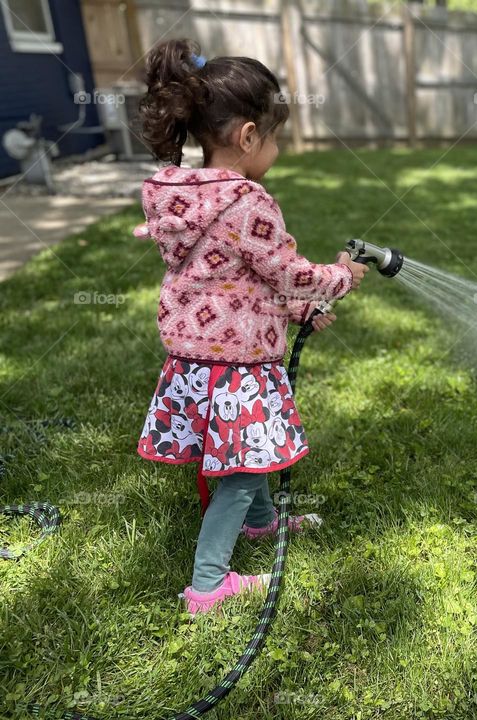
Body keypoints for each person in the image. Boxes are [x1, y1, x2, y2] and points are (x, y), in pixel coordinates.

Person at [133, 38, 368, 614]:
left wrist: (293, 312)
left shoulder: (181, 197)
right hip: (236, 369)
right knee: (238, 472)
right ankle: (207, 587)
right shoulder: (248, 202)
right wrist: (337, 277)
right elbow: (285, 271)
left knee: (248, 453)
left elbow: (232, 282)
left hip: (195, 364)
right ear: (246, 136)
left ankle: (261, 525)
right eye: (275, 136)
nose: (278, 149)